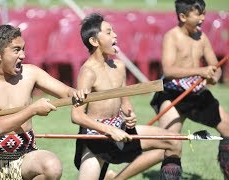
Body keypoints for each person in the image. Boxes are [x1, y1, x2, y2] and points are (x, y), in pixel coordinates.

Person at [105, 0, 229, 179]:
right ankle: (117, 178)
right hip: (172, 95)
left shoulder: (202, 37)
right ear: (183, 16)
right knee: (167, 145)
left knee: (227, 127)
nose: (203, 17)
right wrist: (200, 71)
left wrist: (213, 77)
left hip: (198, 94)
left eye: (204, 13)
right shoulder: (172, 36)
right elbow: (169, 70)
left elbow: (214, 69)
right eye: (198, 14)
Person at [0, 24, 87, 180]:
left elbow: (66, 92)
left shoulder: (31, 73)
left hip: (26, 156)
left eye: (23, 49)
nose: (22, 55)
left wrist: (76, 93)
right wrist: (32, 110)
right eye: (16, 50)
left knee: (51, 166)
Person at [71, 13, 183, 180]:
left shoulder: (119, 66)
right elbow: (77, 115)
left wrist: (130, 116)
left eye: (113, 31)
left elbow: (125, 104)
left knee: (173, 141)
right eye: (108, 32)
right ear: (94, 41)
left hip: (120, 129)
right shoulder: (88, 72)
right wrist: (109, 130)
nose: (115, 35)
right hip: (95, 137)